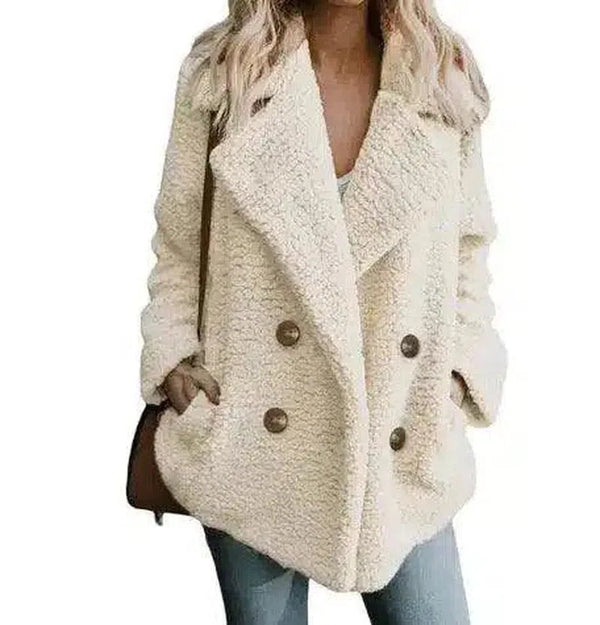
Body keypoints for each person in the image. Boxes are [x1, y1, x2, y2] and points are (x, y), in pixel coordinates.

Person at [139, 1, 507, 623]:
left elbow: (468, 246)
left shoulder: (439, 73)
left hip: (400, 439)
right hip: (253, 443)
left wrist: (457, 377)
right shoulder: (224, 73)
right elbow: (179, 243)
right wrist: (173, 357)